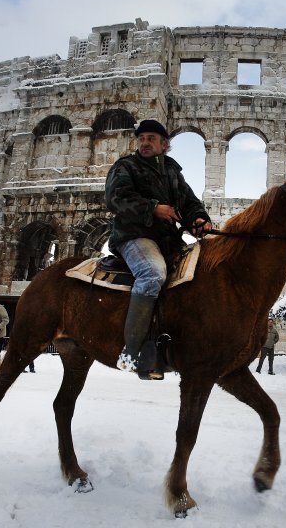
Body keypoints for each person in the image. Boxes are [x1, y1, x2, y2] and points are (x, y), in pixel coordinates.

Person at [105, 119, 213, 379]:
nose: (144, 142)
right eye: (141, 138)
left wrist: (198, 219)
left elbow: (188, 203)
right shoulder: (125, 166)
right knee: (152, 274)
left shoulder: (173, 172)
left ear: (164, 144)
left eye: (151, 138)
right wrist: (152, 207)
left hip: (169, 241)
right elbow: (115, 198)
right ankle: (131, 353)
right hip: (134, 236)